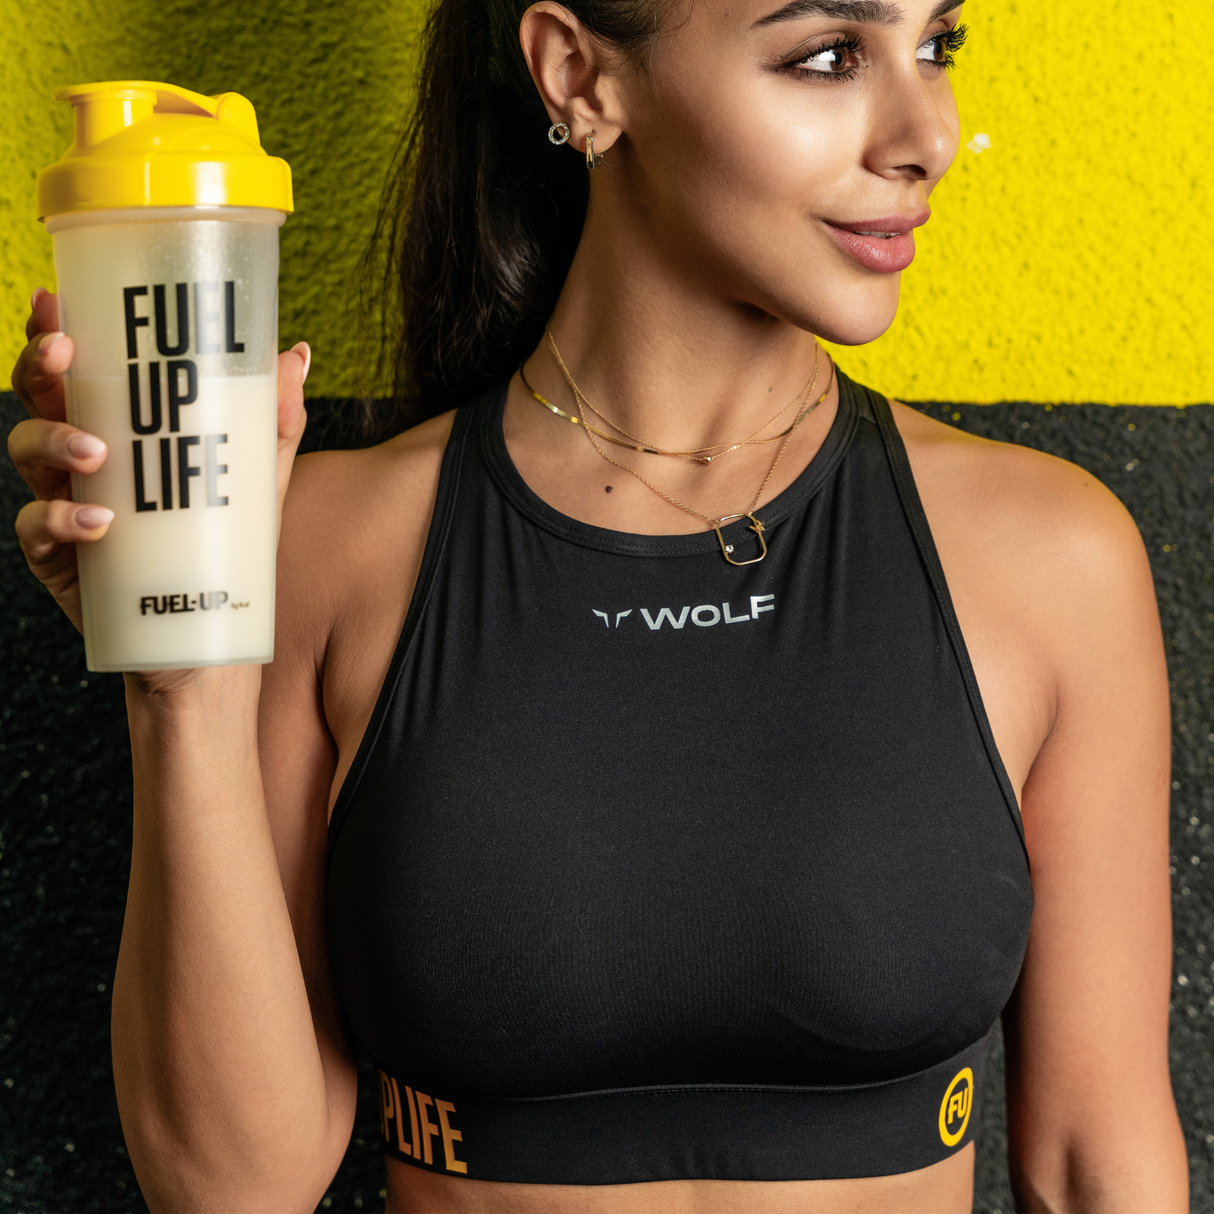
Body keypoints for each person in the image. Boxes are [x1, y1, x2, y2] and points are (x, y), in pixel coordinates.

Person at [8, 0, 1189, 1210]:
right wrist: (180, 676)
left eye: (937, 45)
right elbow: (229, 1187)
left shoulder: (1050, 558)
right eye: (828, 55)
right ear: (577, 76)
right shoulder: (328, 545)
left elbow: (1097, 1158)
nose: (925, 132)